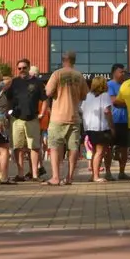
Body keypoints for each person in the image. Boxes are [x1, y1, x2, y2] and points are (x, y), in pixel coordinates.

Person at [45, 50, 88, 186]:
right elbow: (84, 95)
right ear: (74, 61)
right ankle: (69, 177)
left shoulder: (57, 74)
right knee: (73, 148)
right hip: (74, 116)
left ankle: (56, 177)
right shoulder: (79, 76)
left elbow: (48, 92)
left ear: (63, 60)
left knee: (55, 147)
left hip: (58, 117)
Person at [5, 57, 47, 182]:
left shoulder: (37, 82)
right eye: (19, 68)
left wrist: (42, 113)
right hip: (16, 119)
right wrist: (8, 113)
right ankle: (20, 174)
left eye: (24, 68)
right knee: (18, 147)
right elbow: (8, 99)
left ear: (29, 68)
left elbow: (45, 99)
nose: (22, 70)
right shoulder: (14, 82)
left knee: (34, 147)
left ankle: (34, 174)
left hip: (32, 118)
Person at [81, 76, 115, 182]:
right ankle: (96, 176)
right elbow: (107, 112)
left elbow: (81, 109)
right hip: (101, 127)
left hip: (89, 127)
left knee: (95, 151)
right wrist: (112, 127)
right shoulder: (105, 95)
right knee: (100, 152)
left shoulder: (87, 96)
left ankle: (93, 175)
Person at [106, 63, 130, 180]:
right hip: (113, 121)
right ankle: (108, 172)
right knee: (109, 147)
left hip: (125, 120)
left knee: (124, 147)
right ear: (114, 73)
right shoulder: (109, 85)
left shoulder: (126, 85)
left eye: (124, 72)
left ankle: (122, 172)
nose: (123, 74)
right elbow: (114, 101)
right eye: (121, 72)